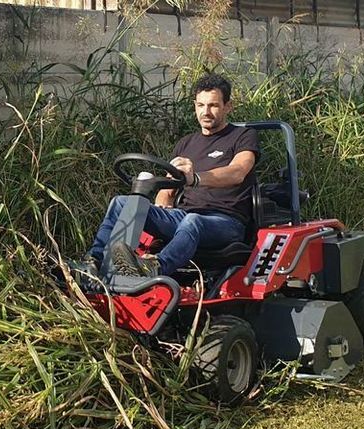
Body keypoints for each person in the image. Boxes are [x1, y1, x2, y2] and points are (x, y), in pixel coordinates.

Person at [73, 73, 259, 281]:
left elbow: (238, 172)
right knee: (122, 203)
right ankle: (93, 264)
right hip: (183, 217)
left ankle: (155, 267)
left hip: (226, 222)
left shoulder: (243, 136)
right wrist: (161, 206)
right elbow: (167, 190)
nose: (206, 112)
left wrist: (195, 178)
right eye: (200, 105)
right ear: (194, 106)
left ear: (228, 106)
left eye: (213, 105)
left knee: (192, 220)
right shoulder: (186, 144)